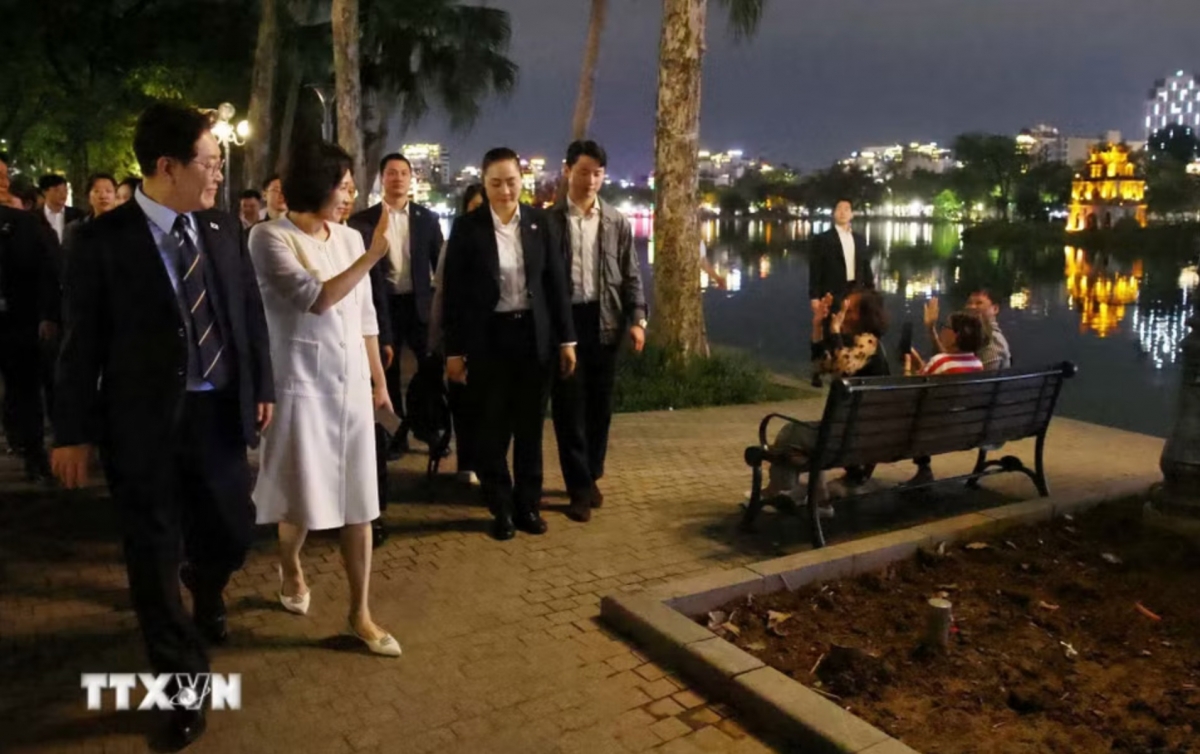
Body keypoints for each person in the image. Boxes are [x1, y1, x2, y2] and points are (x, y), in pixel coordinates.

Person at [51, 102, 275, 750]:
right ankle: (182, 687)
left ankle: (206, 587)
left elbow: (244, 310)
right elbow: (80, 344)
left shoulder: (221, 226)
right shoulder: (100, 241)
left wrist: (258, 383)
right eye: (209, 162)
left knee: (231, 533)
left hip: (216, 413)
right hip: (143, 425)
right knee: (150, 559)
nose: (218, 174)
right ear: (166, 166)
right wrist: (71, 432)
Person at [247, 140, 400, 658]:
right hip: (300, 387)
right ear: (316, 185)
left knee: (361, 501)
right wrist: (376, 255)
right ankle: (290, 564)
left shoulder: (352, 237)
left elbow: (364, 318)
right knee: (302, 498)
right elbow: (317, 298)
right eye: (343, 184)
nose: (350, 193)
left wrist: (378, 381)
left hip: (351, 386)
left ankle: (360, 611)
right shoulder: (268, 238)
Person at [442, 147, 577, 541]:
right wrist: (454, 352)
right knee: (491, 428)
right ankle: (499, 507)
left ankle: (527, 506)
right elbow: (455, 296)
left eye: (511, 182)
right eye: (496, 183)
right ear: (484, 184)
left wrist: (567, 340)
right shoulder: (467, 228)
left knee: (530, 428)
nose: (504, 190)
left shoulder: (539, 223)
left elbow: (556, 285)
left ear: (523, 181)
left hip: (532, 337)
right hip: (488, 338)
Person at [547, 140, 646, 523]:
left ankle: (592, 474)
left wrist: (638, 320)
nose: (591, 180)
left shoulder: (616, 221)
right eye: (584, 171)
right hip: (566, 323)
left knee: (599, 407)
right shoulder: (550, 222)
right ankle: (577, 487)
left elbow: (631, 276)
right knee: (569, 407)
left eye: (598, 173)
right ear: (567, 170)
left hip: (606, 323)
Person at [760, 286, 889, 514]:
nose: (843, 311)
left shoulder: (869, 343)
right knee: (808, 438)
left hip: (854, 433)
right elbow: (821, 368)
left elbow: (843, 368)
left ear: (864, 314)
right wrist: (818, 326)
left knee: (792, 433)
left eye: (849, 308)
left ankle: (779, 491)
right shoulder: (859, 345)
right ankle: (814, 498)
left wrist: (836, 331)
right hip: (858, 432)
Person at [348, 153, 444, 457]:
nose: (398, 178)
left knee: (429, 369)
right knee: (386, 373)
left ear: (410, 178)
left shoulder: (426, 219)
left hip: (419, 306)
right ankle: (395, 435)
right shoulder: (363, 221)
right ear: (382, 178)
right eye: (391, 173)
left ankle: (429, 429)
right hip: (383, 306)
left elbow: (439, 265)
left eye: (403, 173)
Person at [0, 153, 60, 481]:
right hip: (21, 321)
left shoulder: (27, 224)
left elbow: (50, 271)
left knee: (25, 390)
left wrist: (47, 314)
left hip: (20, 322)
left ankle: (34, 452)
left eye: (4, 177)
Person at [428, 184, 483, 487]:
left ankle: (489, 464)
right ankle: (467, 463)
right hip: (460, 337)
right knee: (462, 403)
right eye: (473, 207)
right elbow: (441, 295)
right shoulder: (453, 244)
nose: (479, 212)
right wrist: (435, 340)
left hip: (493, 341)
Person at [809, 198, 874, 386]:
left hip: (855, 291)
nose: (843, 212)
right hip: (831, 291)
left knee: (851, 331)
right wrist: (814, 296)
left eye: (847, 209)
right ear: (833, 213)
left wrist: (871, 293)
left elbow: (866, 268)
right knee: (826, 331)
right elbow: (815, 270)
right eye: (839, 209)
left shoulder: (860, 240)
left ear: (852, 214)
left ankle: (846, 369)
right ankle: (818, 372)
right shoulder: (822, 239)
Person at [923, 290, 1012, 371]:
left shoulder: (993, 340)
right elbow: (954, 365)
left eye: (979, 303)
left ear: (995, 309)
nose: (972, 307)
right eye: (969, 303)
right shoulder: (975, 332)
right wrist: (931, 329)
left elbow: (979, 381)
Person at [36, 174, 84, 244]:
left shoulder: (77, 215)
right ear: (44, 192)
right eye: (57, 190)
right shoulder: (34, 217)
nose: (63, 194)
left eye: (65, 190)